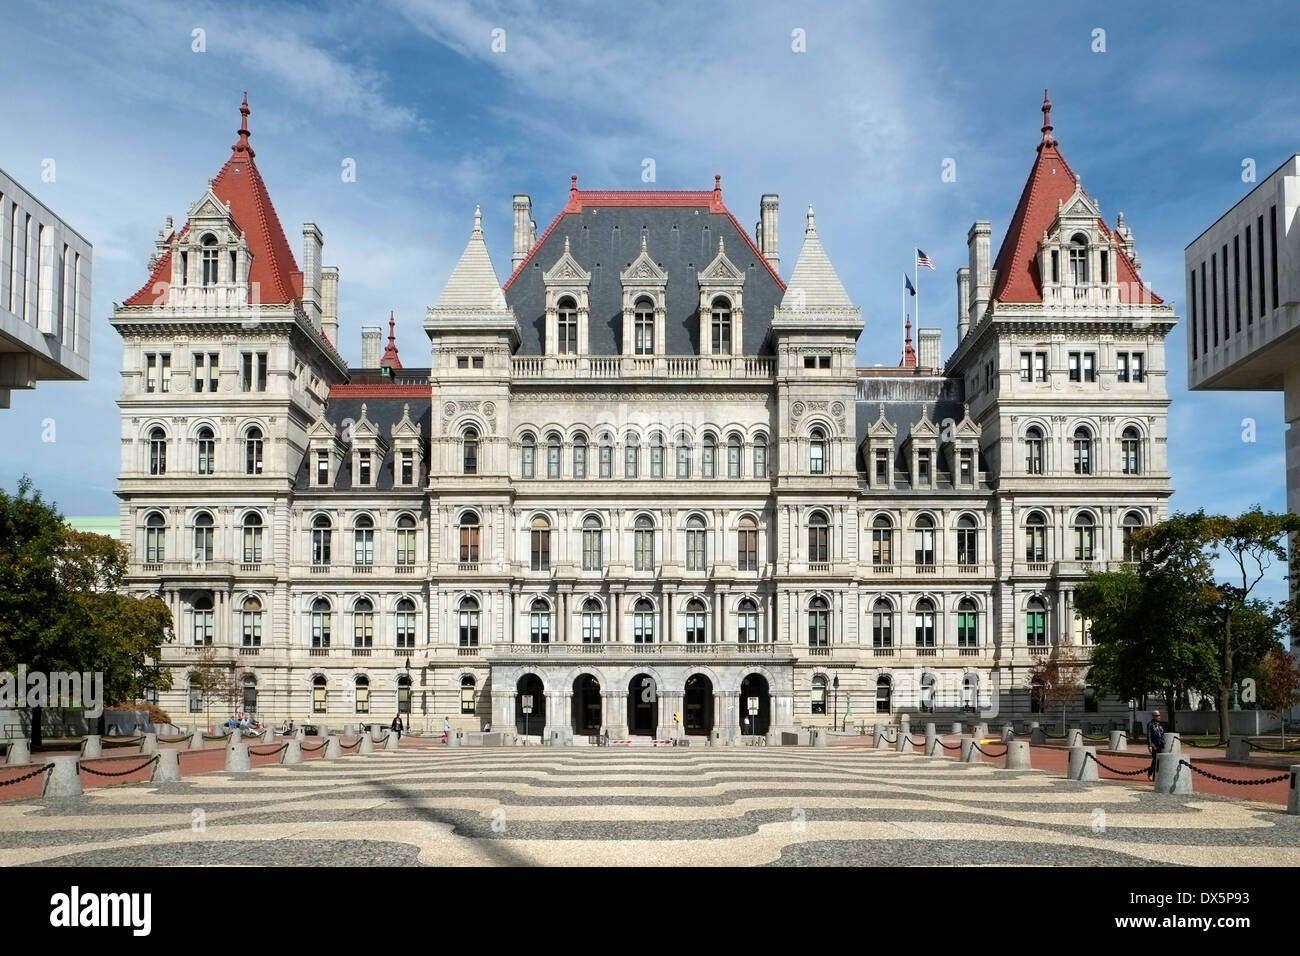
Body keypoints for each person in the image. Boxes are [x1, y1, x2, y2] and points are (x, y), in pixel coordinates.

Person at [1146, 710, 1166, 780]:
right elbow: (1149, 735)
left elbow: (1163, 733)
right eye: (1157, 716)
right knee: (1155, 760)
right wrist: (1150, 746)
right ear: (1153, 716)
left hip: (1161, 744)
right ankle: (1150, 773)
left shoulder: (1160, 724)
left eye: (1159, 715)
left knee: (1160, 761)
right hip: (1154, 745)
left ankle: (1157, 776)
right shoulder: (1150, 724)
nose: (1159, 717)